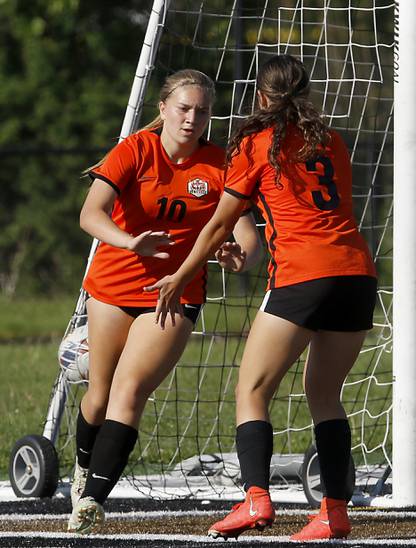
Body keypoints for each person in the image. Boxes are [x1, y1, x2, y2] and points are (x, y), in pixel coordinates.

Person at [147, 54, 377, 541]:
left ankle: (255, 501)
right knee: (325, 395)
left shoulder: (257, 143)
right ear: (306, 94)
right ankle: (334, 512)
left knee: (251, 391)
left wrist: (181, 275)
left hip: (302, 275)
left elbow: (216, 226)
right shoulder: (332, 141)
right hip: (356, 273)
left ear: (261, 97)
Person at [67, 69, 262, 534]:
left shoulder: (220, 164)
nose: (192, 118)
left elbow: (248, 241)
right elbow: (89, 214)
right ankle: (81, 470)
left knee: (129, 390)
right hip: (112, 288)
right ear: (163, 109)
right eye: (184, 108)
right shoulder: (135, 150)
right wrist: (130, 242)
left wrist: (239, 256)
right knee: (99, 393)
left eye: (202, 110)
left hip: (175, 291)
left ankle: (92, 503)